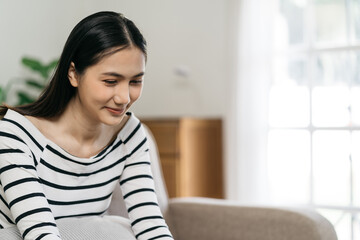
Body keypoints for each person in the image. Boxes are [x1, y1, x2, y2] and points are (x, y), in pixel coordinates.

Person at [0, 11, 173, 240]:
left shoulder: (129, 134)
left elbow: (150, 225)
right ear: (73, 74)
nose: (123, 97)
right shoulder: (16, 135)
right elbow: (40, 234)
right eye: (110, 81)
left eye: (135, 81)